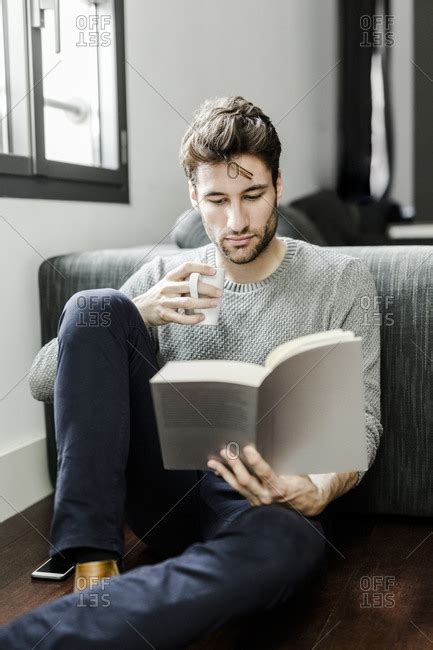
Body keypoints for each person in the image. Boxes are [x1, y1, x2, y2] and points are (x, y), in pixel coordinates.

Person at [0, 96, 383, 649]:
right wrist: (141, 308)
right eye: (216, 200)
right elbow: (43, 379)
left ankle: (61, 632)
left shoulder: (341, 280)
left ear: (277, 183)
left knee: (289, 551)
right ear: (193, 197)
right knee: (94, 305)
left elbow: (364, 421)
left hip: (264, 497)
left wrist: (317, 488)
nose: (236, 221)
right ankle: (92, 563)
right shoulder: (164, 274)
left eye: (252, 195)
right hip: (167, 493)